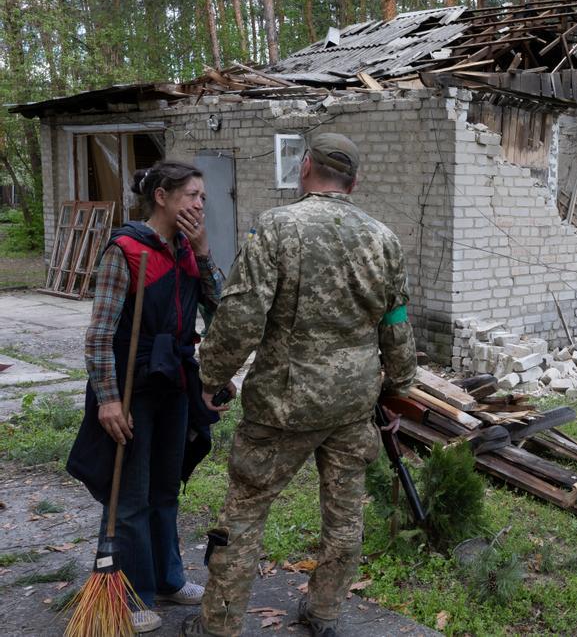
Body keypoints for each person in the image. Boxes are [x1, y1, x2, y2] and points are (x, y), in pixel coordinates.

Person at [182, 133, 417, 637]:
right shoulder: (383, 238)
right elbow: (395, 322)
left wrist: (211, 376)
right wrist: (398, 387)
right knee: (345, 516)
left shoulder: (276, 227)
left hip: (283, 405)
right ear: (354, 181)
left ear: (305, 167)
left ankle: (219, 626)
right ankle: (325, 613)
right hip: (353, 403)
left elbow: (243, 315)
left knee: (244, 513)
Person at [68, 160, 232, 634]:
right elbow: (99, 336)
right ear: (161, 196)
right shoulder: (125, 251)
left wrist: (202, 254)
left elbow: (219, 307)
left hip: (174, 385)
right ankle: (131, 592)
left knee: (166, 489)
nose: (201, 204)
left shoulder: (186, 249)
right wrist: (108, 399)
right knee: (132, 497)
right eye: (192, 195)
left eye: (203, 196)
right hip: (132, 389)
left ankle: (168, 578)